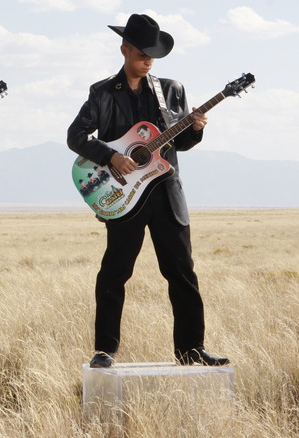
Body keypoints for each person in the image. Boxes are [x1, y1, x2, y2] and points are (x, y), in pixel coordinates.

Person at [67, 14, 229, 368]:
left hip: (166, 193)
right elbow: (75, 137)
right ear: (124, 49)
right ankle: (105, 350)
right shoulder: (102, 93)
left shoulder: (172, 89)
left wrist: (196, 127)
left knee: (182, 272)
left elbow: (180, 143)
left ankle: (192, 350)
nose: (149, 59)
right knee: (114, 273)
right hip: (124, 194)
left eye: (153, 53)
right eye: (142, 52)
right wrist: (111, 156)